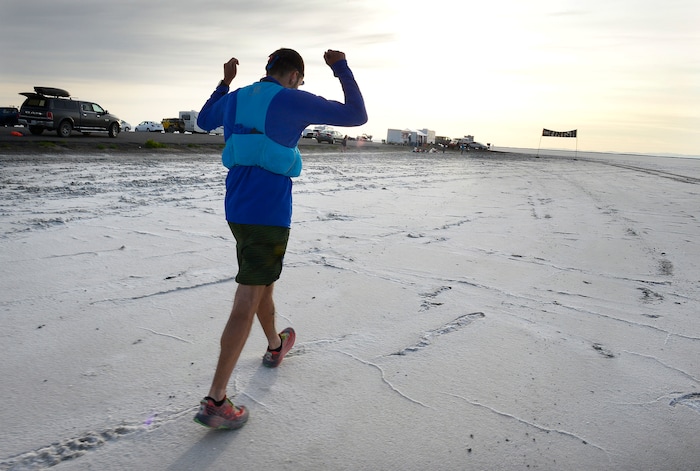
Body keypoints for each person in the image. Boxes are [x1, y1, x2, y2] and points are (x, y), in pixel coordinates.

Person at [193, 48, 367, 430]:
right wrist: (340, 66)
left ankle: (275, 346)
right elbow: (357, 115)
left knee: (263, 283)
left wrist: (225, 83)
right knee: (249, 295)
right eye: (300, 81)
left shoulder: (237, 97)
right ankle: (216, 400)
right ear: (293, 76)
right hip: (267, 214)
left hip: (236, 207)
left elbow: (205, 120)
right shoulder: (292, 98)